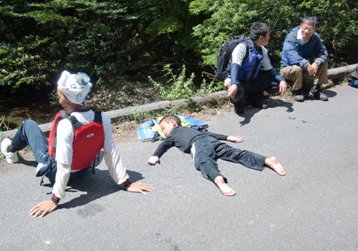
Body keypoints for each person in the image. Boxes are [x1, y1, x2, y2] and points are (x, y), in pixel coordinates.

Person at [0, 70, 154, 218]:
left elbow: (63, 165)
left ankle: (10, 151)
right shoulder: (102, 118)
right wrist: (126, 183)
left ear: (67, 98)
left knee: (28, 124)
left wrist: (55, 199)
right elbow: (111, 152)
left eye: (59, 96)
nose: (59, 100)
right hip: (83, 170)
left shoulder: (66, 125)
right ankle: (14, 150)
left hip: (58, 173)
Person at [147, 115, 286, 196]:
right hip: (211, 141)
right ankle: (267, 160)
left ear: (173, 123)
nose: (164, 132)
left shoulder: (173, 134)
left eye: (163, 128)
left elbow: (163, 145)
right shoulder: (192, 129)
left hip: (198, 145)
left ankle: (218, 179)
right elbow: (208, 133)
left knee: (204, 161)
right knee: (236, 154)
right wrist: (228, 137)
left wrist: (155, 155)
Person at [226, 22, 287, 114]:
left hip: (252, 81)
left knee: (276, 84)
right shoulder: (242, 47)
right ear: (261, 37)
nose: (269, 37)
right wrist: (234, 83)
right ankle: (239, 100)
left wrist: (281, 80)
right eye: (268, 35)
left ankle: (253, 97)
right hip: (238, 82)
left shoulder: (262, 50)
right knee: (240, 110)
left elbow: (269, 69)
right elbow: (235, 66)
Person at [280, 16, 329, 102]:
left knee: (323, 62)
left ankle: (316, 89)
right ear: (300, 25)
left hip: (306, 69)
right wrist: (306, 64)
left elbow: (323, 52)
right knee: (296, 68)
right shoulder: (291, 37)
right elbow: (291, 55)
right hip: (289, 68)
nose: (306, 31)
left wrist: (316, 62)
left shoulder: (315, 37)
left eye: (309, 29)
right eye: (304, 28)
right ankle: (297, 91)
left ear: (314, 29)